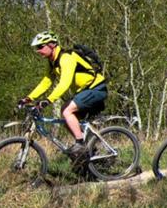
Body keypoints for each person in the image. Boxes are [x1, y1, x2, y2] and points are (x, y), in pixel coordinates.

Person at [21, 31, 108, 163]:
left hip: (96, 88)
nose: (38, 51)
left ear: (52, 45)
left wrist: (48, 100)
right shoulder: (52, 62)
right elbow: (46, 82)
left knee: (67, 111)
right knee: (65, 114)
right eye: (36, 48)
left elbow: (65, 83)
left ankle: (80, 144)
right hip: (84, 91)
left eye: (40, 46)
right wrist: (28, 98)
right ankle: (86, 148)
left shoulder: (66, 58)